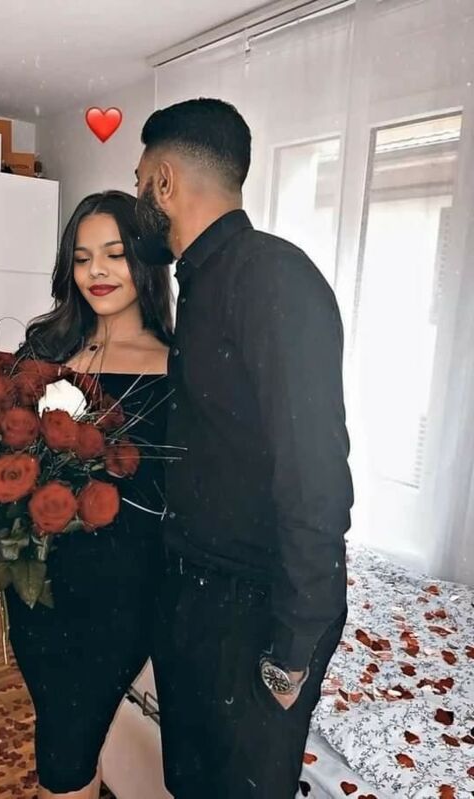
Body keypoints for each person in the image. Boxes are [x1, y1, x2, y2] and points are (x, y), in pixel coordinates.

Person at [135, 98, 354, 799]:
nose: (137, 194)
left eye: (139, 179)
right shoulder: (200, 283)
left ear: (164, 181)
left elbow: (315, 475)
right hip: (195, 598)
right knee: (190, 781)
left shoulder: (270, 277)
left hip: (252, 611)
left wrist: (294, 648)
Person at [6, 191, 172, 799]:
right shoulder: (44, 351)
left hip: (120, 596)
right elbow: (3, 458)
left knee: (65, 751)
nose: (95, 271)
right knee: (67, 734)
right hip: (36, 590)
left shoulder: (176, 367)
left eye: (114, 254)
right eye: (81, 258)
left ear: (145, 261)